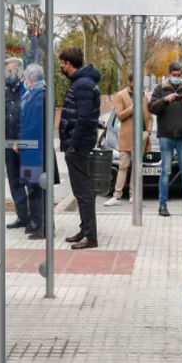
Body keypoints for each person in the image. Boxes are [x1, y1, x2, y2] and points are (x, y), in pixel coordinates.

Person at [58, 47, 102, 249]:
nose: (61, 67)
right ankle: (85, 230)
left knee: (83, 191)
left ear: (69, 63)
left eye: (62, 63)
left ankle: (90, 236)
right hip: (79, 145)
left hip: (78, 146)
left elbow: (83, 120)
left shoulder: (82, 85)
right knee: (80, 190)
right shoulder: (82, 83)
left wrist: (73, 145)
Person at [148, 60, 182, 217]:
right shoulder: (160, 89)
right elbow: (152, 108)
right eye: (174, 74)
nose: (176, 77)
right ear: (169, 74)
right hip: (166, 136)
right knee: (166, 171)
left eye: (179, 75)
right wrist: (165, 100)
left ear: (181, 74)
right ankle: (162, 205)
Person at [105, 74, 151, 206]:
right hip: (126, 137)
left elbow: (150, 117)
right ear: (130, 82)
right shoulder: (120, 95)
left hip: (140, 138)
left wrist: (147, 132)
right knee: (123, 166)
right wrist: (133, 107)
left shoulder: (144, 97)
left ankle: (133, 195)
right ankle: (117, 196)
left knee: (137, 167)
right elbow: (120, 116)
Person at [19, 64, 48, 239]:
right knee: (32, 187)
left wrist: (22, 141)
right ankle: (36, 222)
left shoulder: (38, 96)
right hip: (31, 150)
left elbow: (34, 124)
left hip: (34, 151)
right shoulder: (35, 94)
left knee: (36, 188)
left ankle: (40, 225)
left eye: (24, 78)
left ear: (30, 79)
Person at [4, 58, 30, 229]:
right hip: (8, 142)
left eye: (11, 71)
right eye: (7, 71)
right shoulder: (5, 91)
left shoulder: (27, 90)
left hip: (26, 144)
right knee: (14, 181)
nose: (8, 75)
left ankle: (36, 218)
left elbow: (28, 117)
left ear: (20, 71)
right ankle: (22, 217)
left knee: (29, 180)